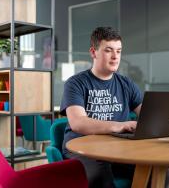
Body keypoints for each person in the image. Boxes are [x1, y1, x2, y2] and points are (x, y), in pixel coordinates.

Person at [60, 27, 143, 188]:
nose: (115, 57)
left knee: (156, 172)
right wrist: (121, 126)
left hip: (117, 148)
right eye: (108, 51)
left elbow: (148, 116)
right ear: (93, 52)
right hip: (82, 147)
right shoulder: (75, 83)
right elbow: (78, 123)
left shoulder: (126, 84)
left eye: (119, 51)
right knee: (101, 178)